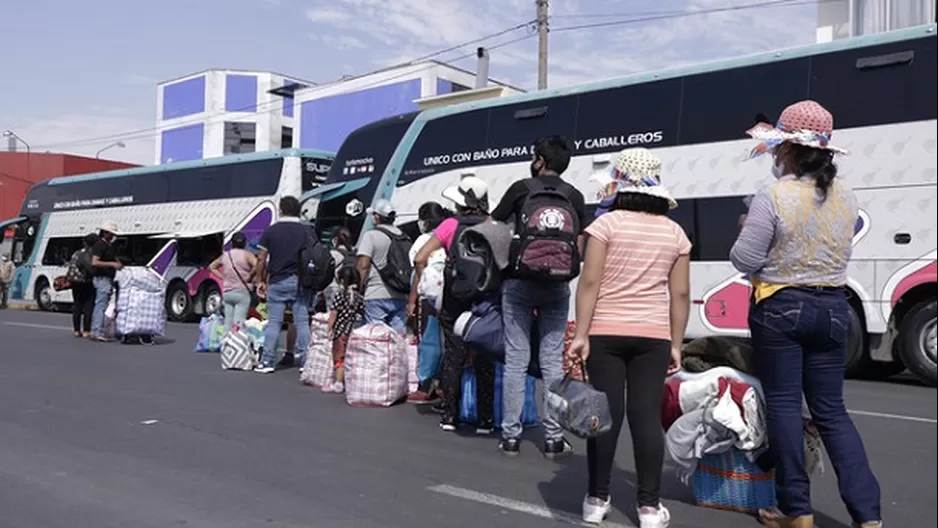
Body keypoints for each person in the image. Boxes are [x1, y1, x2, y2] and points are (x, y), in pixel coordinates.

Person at [730, 100, 882, 528]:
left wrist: (747, 232)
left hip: (780, 307)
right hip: (834, 308)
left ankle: (795, 511)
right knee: (833, 413)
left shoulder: (773, 196)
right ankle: (868, 515)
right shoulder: (847, 197)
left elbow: (743, 259)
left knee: (783, 406)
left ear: (788, 149)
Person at [567, 148, 689, 527]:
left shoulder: (605, 226)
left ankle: (596, 500)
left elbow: (590, 281)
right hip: (652, 335)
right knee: (645, 417)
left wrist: (581, 333)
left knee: (604, 417)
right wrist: (675, 343)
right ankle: (649, 508)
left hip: (605, 331)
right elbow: (680, 294)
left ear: (618, 181)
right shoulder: (675, 232)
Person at [490, 135, 587, 458]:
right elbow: (581, 244)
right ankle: (553, 438)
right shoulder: (575, 196)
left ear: (539, 161)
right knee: (551, 364)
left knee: (516, 361)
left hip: (519, 283)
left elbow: (494, 226)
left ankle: (511, 437)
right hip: (558, 286)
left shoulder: (522, 189)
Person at [410, 177, 497, 434]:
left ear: (459, 203)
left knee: (453, 356)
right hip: (485, 300)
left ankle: (450, 415)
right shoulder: (493, 225)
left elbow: (420, 257)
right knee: (484, 357)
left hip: (455, 299)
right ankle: (485, 420)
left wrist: (430, 285)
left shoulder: (450, 225)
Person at [253, 196, 314, 374]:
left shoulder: (271, 231)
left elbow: (261, 258)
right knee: (302, 323)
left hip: (277, 281)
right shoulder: (307, 231)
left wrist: (260, 281)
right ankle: (306, 362)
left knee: (274, 323)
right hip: (300, 281)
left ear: (281, 210)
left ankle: (267, 362)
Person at [406, 201, 452, 404]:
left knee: (429, 340)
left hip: (430, 297)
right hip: (452, 293)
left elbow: (418, 269)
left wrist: (412, 300)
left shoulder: (424, 240)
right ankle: (443, 383)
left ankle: (425, 385)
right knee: (448, 341)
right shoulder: (452, 234)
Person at [356, 199, 409, 334]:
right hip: (400, 293)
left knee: (375, 339)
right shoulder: (404, 237)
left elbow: (363, 266)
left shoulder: (371, 236)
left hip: (375, 294)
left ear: (377, 217)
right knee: (397, 339)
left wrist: (358, 289)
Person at [323, 266, 364, 394]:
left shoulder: (340, 295)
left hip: (340, 331)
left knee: (339, 358)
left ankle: (339, 383)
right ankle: (347, 380)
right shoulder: (358, 297)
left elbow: (333, 314)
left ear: (341, 280)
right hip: (353, 331)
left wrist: (329, 328)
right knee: (349, 357)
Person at [209, 231, 257, 334]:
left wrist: (223, 277)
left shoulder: (226, 256)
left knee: (228, 321)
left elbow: (212, 267)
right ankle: (237, 344)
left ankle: (225, 344)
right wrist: (250, 275)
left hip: (227, 292)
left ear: (232, 243)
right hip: (242, 292)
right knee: (239, 321)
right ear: (244, 243)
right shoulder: (247, 255)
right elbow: (257, 265)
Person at [90, 220, 123, 342]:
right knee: (101, 304)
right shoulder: (100, 245)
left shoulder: (108, 245)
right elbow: (95, 262)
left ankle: (97, 330)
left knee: (102, 304)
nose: (113, 236)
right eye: (111, 233)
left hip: (107, 278)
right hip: (102, 278)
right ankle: (97, 331)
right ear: (105, 233)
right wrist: (112, 264)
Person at [69, 233, 99, 337]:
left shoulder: (76, 253)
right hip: (86, 281)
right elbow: (91, 269)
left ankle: (76, 330)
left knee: (77, 305)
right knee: (88, 306)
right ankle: (86, 330)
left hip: (75, 282)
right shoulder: (90, 254)